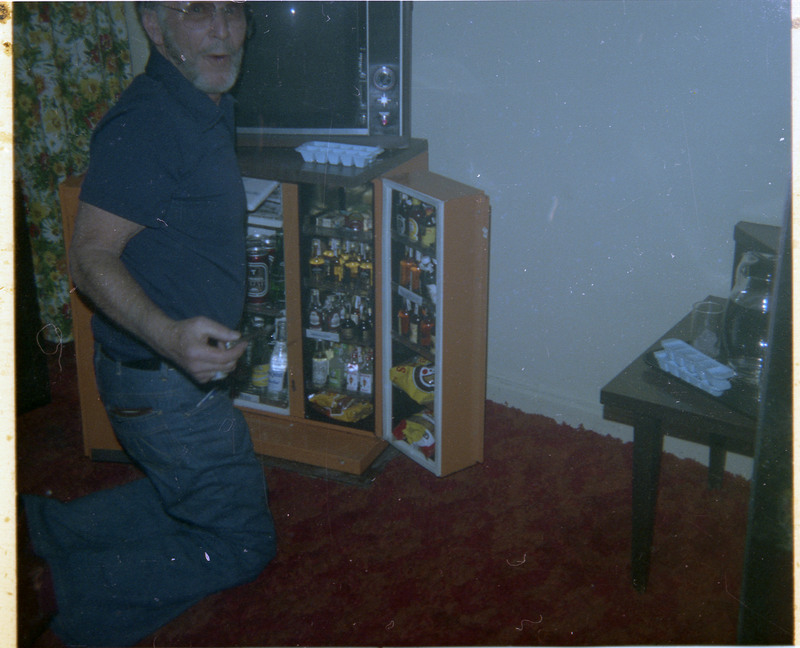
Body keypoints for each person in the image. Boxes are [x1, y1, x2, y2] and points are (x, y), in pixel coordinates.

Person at [20, 3, 277, 645]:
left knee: (191, 486)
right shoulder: (152, 120)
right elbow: (88, 256)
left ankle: (46, 532)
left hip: (157, 388)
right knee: (243, 543)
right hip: (164, 389)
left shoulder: (200, 98)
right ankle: (53, 591)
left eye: (234, 8)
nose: (221, 26)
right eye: (195, 10)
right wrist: (169, 337)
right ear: (155, 27)